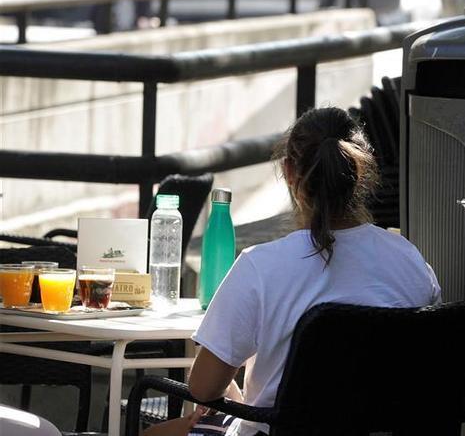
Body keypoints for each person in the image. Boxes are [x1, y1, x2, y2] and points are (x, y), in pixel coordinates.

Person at [146, 107, 441, 436]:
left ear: (288, 171)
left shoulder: (261, 266)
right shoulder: (410, 261)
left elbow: (203, 389)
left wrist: (232, 389)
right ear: (359, 171)